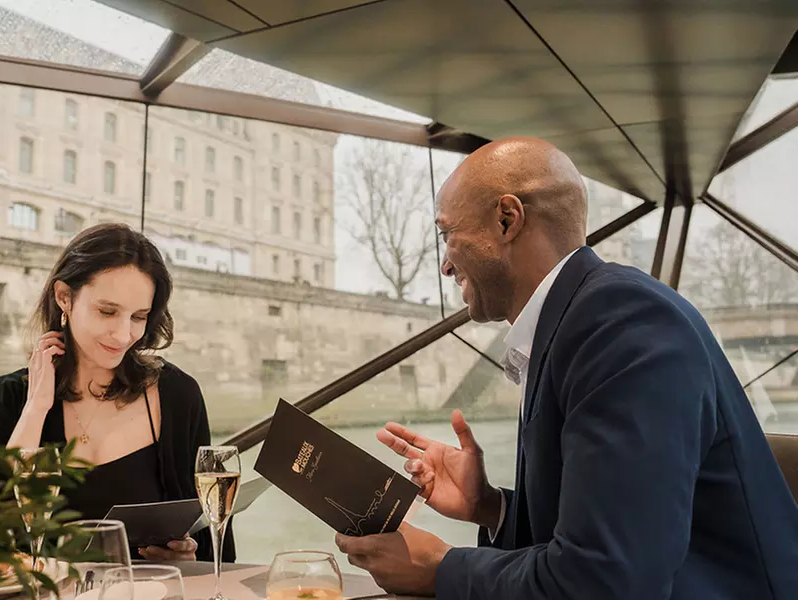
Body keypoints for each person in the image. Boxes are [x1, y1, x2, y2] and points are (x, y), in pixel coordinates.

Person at [334, 137, 798, 598]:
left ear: (506, 219)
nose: (444, 264)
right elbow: (594, 536)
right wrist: (490, 507)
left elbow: (607, 581)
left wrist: (440, 568)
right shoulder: (580, 320)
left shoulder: (621, 323)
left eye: (447, 233)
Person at [0, 222, 235, 564]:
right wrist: (36, 408)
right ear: (64, 297)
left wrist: (189, 562)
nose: (123, 334)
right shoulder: (4, 400)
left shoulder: (177, 394)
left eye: (138, 317)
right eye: (107, 311)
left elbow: (218, 544)